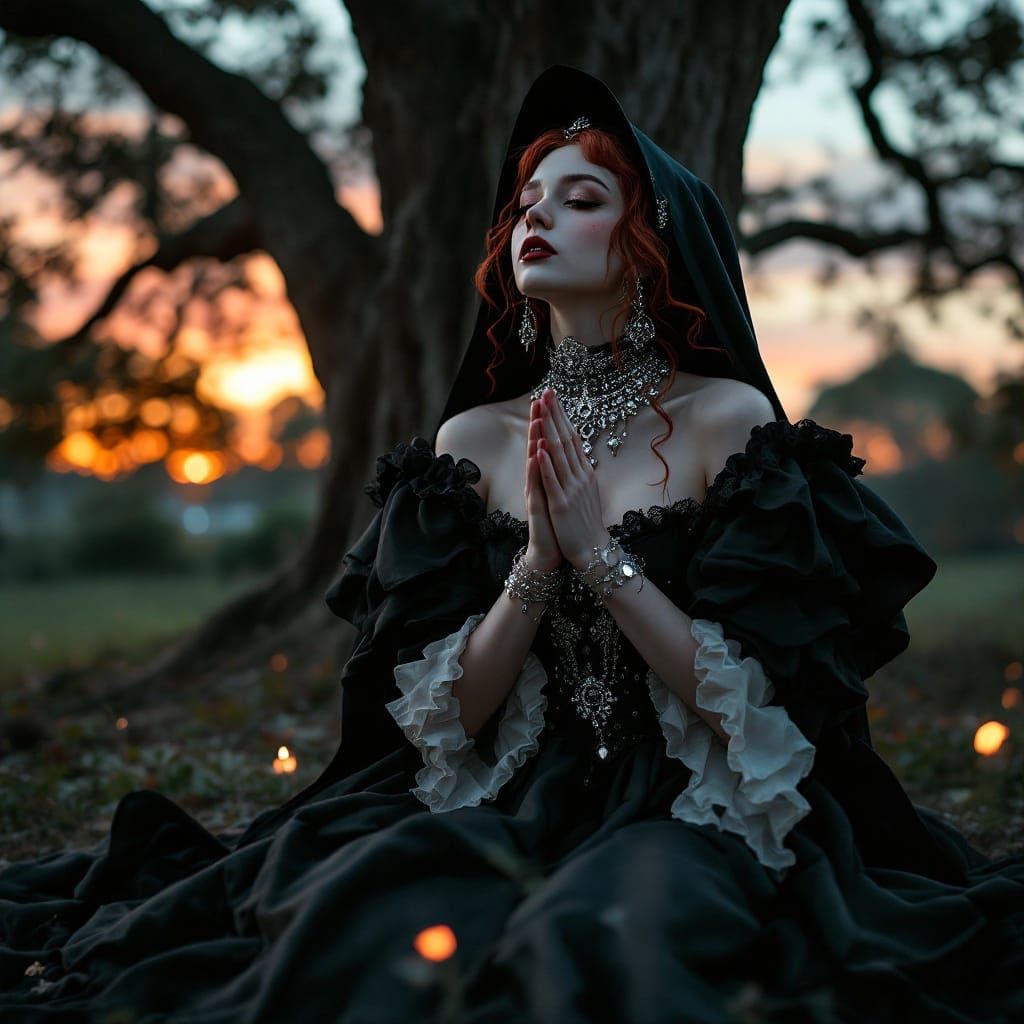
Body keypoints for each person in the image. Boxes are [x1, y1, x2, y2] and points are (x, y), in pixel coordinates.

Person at [2, 64, 1022, 1024]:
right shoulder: (470, 443)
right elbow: (450, 720)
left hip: (688, 805)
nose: (535, 211)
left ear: (648, 237)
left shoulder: (730, 423)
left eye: (579, 197)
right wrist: (536, 566)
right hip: (512, 791)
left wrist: (605, 559)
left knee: (605, 932)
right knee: (370, 906)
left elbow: (757, 708)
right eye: (529, 197)